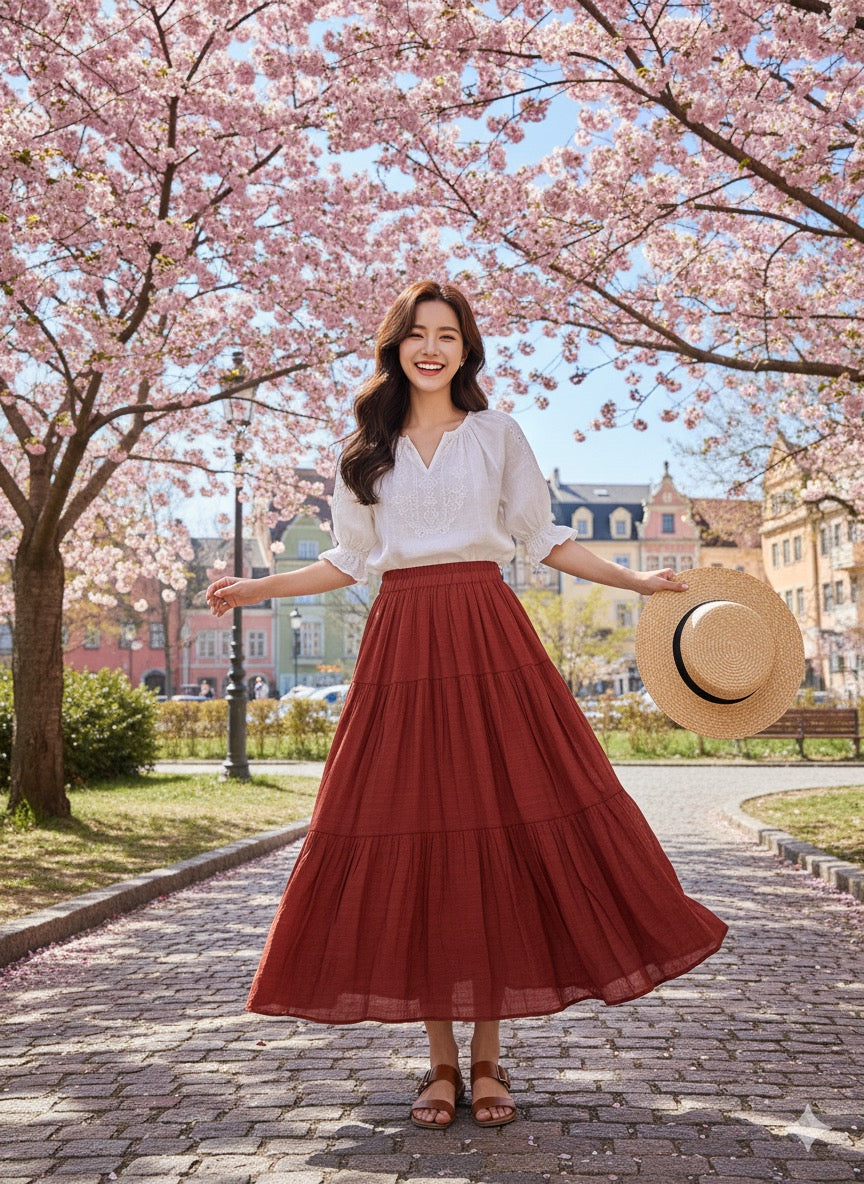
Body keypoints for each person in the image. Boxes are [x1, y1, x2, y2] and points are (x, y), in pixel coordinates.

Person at [206, 280, 728, 1131]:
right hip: (405, 643)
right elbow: (349, 559)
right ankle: (440, 1066)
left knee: (503, 826)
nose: (432, 347)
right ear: (395, 346)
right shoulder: (363, 452)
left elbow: (545, 537)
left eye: (448, 334)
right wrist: (256, 587)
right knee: (415, 827)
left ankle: (489, 1062)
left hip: (489, 637)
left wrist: (636, 578)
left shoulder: (497, 435)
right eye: (417, 334)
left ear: (466, 348)